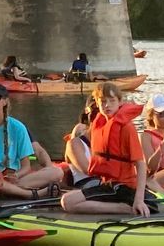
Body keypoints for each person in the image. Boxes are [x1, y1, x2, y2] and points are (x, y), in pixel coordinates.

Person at [60, 81, 154, 217]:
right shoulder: (100, 124)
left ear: (120, 102)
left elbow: (140, 164)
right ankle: (120, 205)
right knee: (68, 200)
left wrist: (139, 200)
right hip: (109, 184)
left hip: (122, 187)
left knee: (67, 201)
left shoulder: (126, 127)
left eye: (112, 100)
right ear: (97, 103)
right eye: (103, 101)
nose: (107, 105)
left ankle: (125, 208)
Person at [0, 85, 67, 199]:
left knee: (57, 173)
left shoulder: (18, 127)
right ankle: (29, 194)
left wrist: (15, 175)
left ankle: (2, 189)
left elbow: (26, 166)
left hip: (12, 178)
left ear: (5, 102)